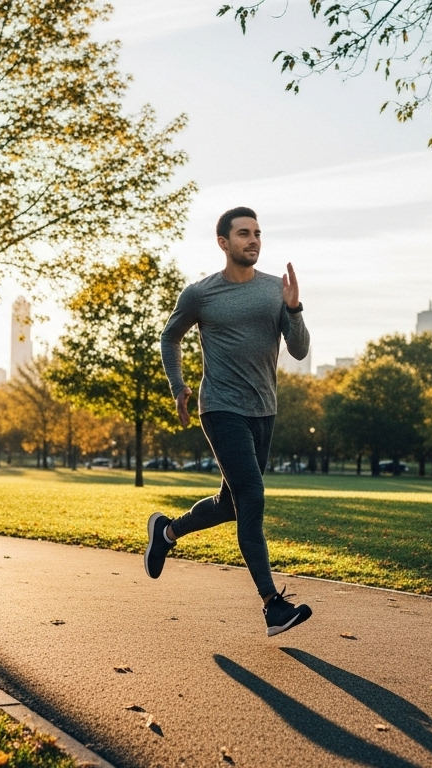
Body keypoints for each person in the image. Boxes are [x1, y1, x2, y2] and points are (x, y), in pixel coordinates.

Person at [145, 206, 313, 636]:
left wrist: (294, 310)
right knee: (252, 498)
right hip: (220, 408)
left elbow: (298, 350)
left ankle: (166, 532)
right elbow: (170, 336)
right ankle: (272, 604)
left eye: (257, 233)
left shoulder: (277, 290)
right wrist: (177, 385)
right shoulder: (201, 294)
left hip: (264, 410)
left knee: (229, 504)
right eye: (243, 233)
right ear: (223, 242)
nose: (253, 240)